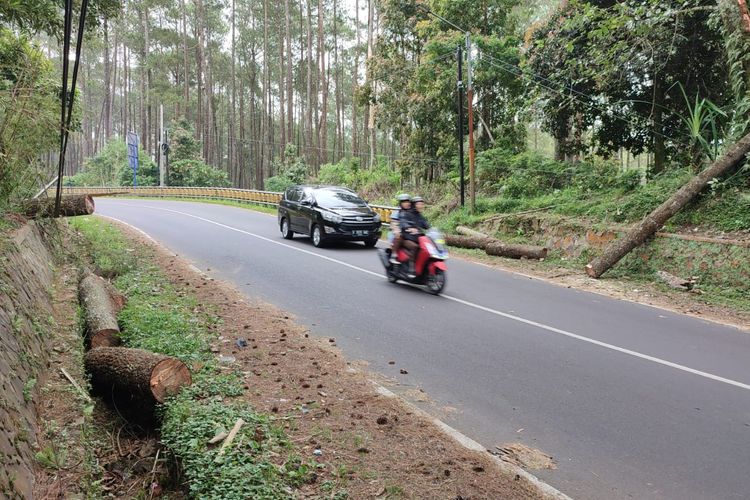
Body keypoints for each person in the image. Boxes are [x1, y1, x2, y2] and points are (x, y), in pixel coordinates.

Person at [400, 196, 430, 277]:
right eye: (419, 204)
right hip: (407, 238)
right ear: (414, 205)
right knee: (415, 247)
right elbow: (404, 223)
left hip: (418, 238)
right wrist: (409, 228)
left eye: (422, 204)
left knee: (427, 249)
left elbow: (426, 225)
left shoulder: (420, 216)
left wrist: (431, 228)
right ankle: (411, 268)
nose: (421, 206)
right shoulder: (407, 213)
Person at [389, 194, 411, 264]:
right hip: (397, 234)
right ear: (400, 203)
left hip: (408, 234)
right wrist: (397, 230)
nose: (406, 203)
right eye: (404, 202)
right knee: (398, 236)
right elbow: (394, 224)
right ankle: (393, 255)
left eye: (407, 201)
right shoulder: (396, 213)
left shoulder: (411, 213)